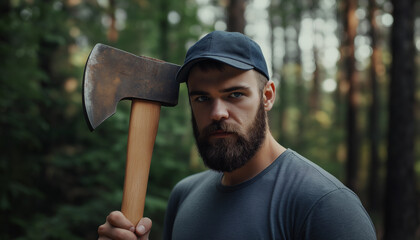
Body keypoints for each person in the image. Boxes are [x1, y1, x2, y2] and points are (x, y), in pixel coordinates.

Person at [97, 31, 377, 240]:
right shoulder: (184, 195)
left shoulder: (325, 205)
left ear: (267, 96)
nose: (217, 112)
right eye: (202, 98)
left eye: (235, 94)